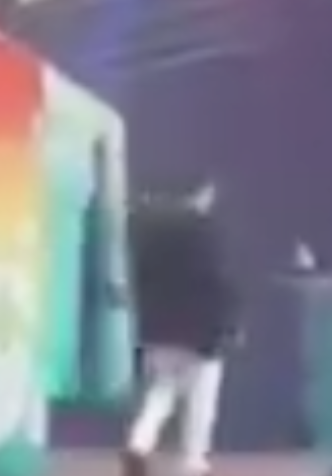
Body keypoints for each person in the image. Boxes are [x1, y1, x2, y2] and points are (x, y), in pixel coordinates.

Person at [122, 182, 241, 476]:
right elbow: (217, 279)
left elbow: (139, 277)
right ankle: (194, 461)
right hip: (201, 328)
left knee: (163, 389)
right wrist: (231, 323)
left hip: (157, 326)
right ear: (201, 193)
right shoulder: (202, 231)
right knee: (202, 396)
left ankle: (139, 441)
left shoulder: (148, 228)